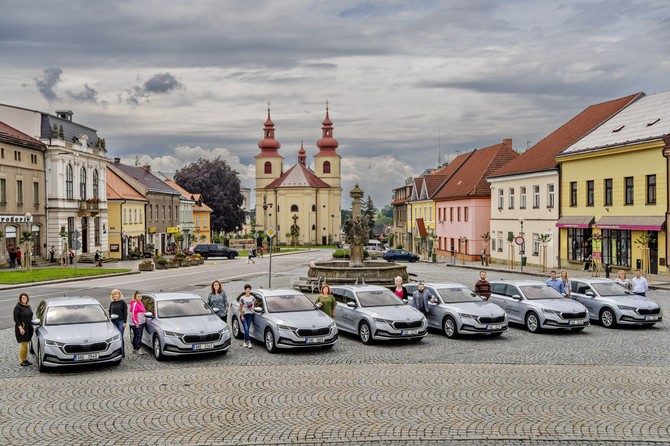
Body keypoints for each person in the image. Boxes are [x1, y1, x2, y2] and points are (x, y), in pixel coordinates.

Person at [14, 293, 33, 367]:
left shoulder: (28, 306)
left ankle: (25, 359)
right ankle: (22, 360)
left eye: (25, 298)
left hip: (28, 327)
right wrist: (20, 328)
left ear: (27, 298)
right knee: (24, 345)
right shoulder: (18, 307)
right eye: (22, 298)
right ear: (20, 299)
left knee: (26, 345)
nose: (24, 299)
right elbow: (15, 318)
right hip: (22, 328)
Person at [109, 289, 128, 356]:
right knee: (114, 338)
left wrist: (124, 322)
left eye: (116, 294)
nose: (115, 295)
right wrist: (110, 318)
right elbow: (109, 312)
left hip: (120, 321)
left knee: (120, 336)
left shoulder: (122, 302)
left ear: (119, 294)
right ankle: (115, 352)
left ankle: (122, 352)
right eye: (113, 294)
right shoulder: (112, 303)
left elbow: (125, 313)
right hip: (113, 322)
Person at [239, 284, 256, 348]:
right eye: (247, 289)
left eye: (249, 289)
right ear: (245, 290)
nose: (248, 290)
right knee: (246, 328)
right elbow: (240, 308)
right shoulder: (242, 298)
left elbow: (255, 304)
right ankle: (249, 342)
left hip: (250, 315)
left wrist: (253, 309)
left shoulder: (252, 297)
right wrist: (242, 316)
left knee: (247, 329)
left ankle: (244, 342)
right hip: (244, 315)